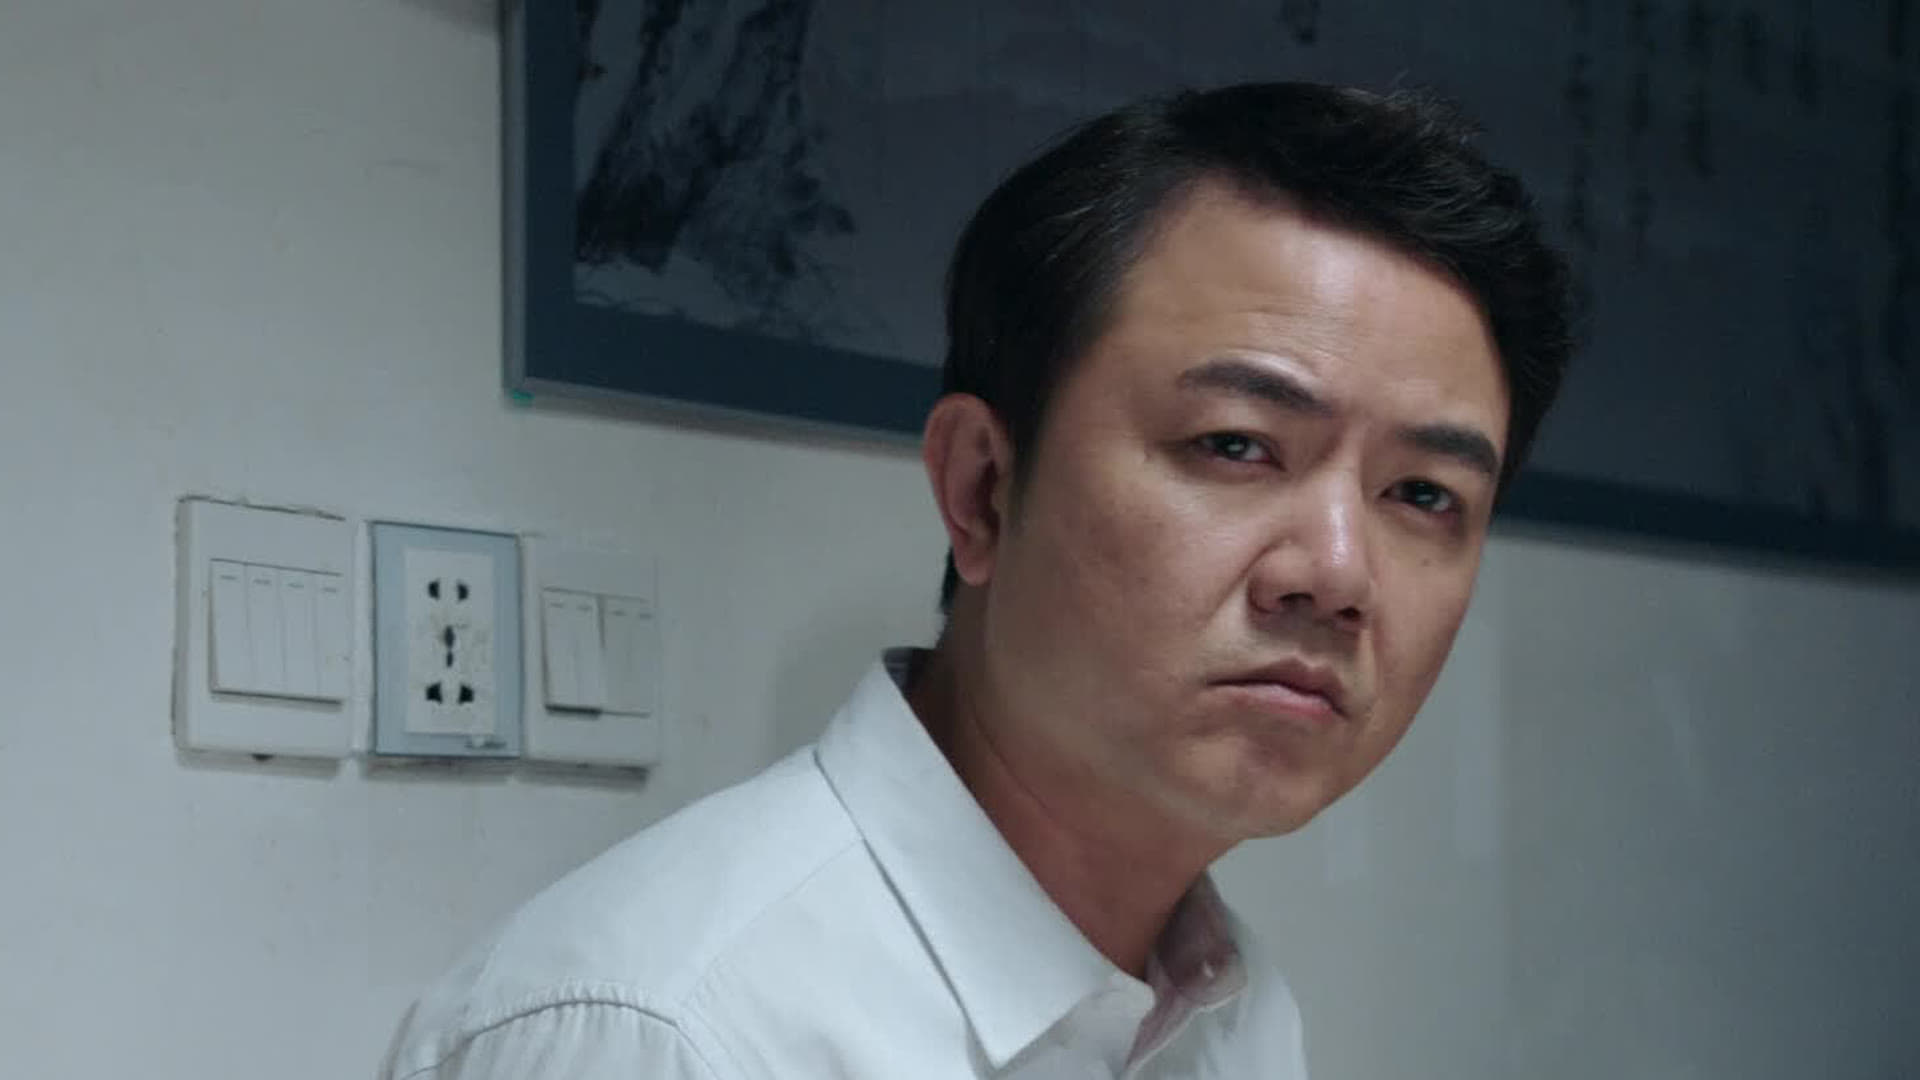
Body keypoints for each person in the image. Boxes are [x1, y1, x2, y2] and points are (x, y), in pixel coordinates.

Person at [383, 81, 1572, 1079]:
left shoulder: (1231, 1015)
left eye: (1425, 495)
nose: (1339, 573)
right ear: (983, 490)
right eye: (1236, 444)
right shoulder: (660, 1032)